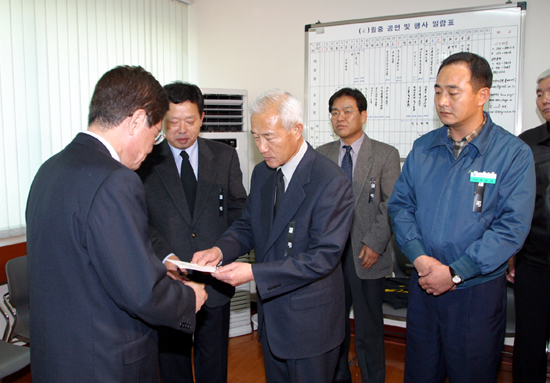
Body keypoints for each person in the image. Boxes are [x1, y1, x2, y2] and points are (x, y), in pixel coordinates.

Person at [25, 66, 207, 383]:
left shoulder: (48, 170)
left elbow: (85, 260)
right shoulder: (117, 180)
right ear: (136, 121)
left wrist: (152, 267)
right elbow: (141, 294)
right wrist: (189, 298)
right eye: (155, 135)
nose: (152, 148)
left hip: (57, 356)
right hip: (105, 361)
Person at [388, 52, 536, 383]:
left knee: (471, 373)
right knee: (420, 373)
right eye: (438, 90)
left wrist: (456, 273)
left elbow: (511, 228)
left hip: (475, 293)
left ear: (482, 95)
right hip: (424, 283)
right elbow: (400, 206)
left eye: (453, 92)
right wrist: (420, 257)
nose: (442, 101)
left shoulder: (512, 154)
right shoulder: (423, 148)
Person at [192, 89, 355, 383]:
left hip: (311, 324)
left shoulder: (330, 181)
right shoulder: (263, 174)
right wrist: (219, 250)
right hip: (272, 319)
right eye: (256, 137)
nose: (261, 146)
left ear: (296, 130)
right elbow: (247, 226)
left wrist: (253, 272)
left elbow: (322, 258)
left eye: (269, 136)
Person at [137, 81, 247, 383]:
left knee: (214, 366)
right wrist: (166, 256)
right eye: (172, 121)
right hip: (169, 284)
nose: (181, 129)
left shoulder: (224, 157)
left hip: (214, 283)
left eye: (189, 120)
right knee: (173, 367)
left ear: (202, 118)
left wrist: (224, 249)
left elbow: (240, 212)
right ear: (160, 120)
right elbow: (139, 221)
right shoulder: (145, 161)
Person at [316, 88, 400, 383]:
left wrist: (375, 243)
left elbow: (392, 204)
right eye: (335, 112)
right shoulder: (321, 154)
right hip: (329, 257)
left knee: (369, 329)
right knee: (333, 327)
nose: (340, 118)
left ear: (363, 115)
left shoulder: (385, 154)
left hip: (367, 254)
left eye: (347, 111)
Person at [507, 68, 550, 383]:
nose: (545, 99)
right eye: (540, 93)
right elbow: (512, 204)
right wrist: (510, 251)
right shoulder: (527, 144)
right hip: (534, 261)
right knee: (529, 342)